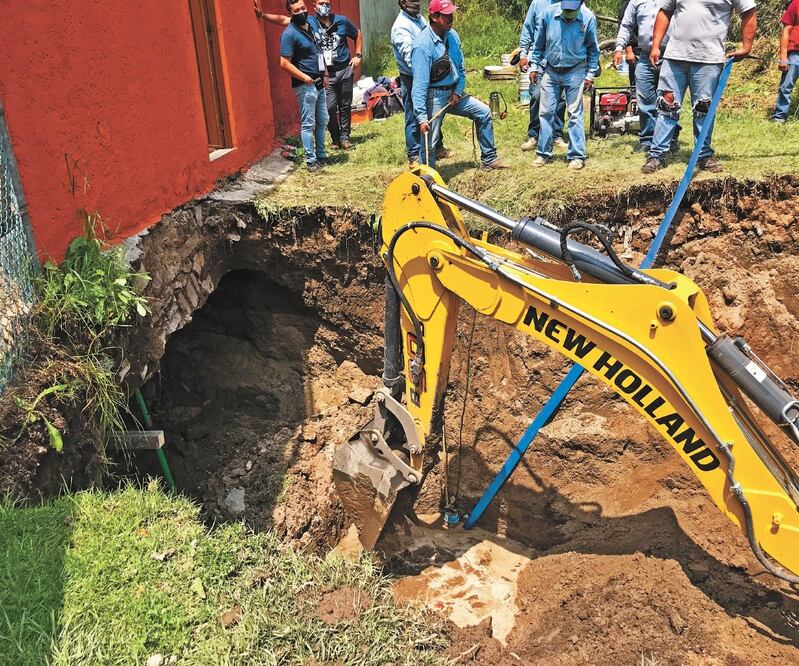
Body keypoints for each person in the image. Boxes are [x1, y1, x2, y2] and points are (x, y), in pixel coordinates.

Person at [642, 0, 757, 174]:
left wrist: (746, 47)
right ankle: (657, 154)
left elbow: (748, 11)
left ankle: (703, 155)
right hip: (674, 57)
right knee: (666, 106)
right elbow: (665, 11)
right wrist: (656, 46)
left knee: (703, 109)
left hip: (708, 60)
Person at [411, 0, 508, 170]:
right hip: (433, 96)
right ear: (434, 17)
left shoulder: (453, 36)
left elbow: (461, 69)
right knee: (429, 141)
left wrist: (457, 92)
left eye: (451, 14)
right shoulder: (422, 45)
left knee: (483, 112)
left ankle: (489, 159)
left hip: (453, 93)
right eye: (446, 15)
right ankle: (427, 178)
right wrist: (421, 117)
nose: (451, 18)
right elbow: (419, 86)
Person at [257, 0, 362, 150]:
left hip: (344, 68)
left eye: (327, 2)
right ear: (314, 6)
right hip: (327, 73)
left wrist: (358, 55)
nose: (324, 6)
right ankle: (335, 136)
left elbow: (357, 33)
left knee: (345, 105)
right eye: (321, 3)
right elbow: (283, 20)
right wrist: (262, 15)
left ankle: (345, 138)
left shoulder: (341, 21)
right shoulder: (310, 21)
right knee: (330, 107)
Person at [530, 0, 600, 170]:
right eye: (565, 9)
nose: (568, 13)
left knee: (574, 113)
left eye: (572, 10)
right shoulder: (549, 14)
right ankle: (543, 153)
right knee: (546, 112)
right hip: (551, 70)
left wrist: (590, 74)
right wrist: (534, 66)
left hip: (575, 70)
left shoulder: (588, 18)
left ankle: (576, 156)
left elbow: (593, 50)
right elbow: (538, 44)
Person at [391, 0, 448, 168]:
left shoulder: (419, 19)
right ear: (401, 2)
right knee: (413, 115)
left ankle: (436, 147)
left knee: (432, 112)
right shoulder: (401, 27)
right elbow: (411, 58)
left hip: (428, 72)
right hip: (412, 75)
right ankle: (414, 155)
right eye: (411, 0)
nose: (416, 3)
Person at [277, 0, 329, 172]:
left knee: (323, 120)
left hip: (320, 82)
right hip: (305, 86)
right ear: (290, 13)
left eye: (303, 8)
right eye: (297, 10)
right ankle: (311, 161)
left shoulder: (312, 26)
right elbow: (284, 62)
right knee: (308, 123)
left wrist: (325, 74)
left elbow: (320, 52)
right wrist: (305, 77)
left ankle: (322, 155)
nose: (301, 12)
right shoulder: (289, 34)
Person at [614, 0, 671, 152]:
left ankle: (671, 138)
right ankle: (648, 139)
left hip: (671, 56)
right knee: (645, 101)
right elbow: (626, 25)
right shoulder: (636, 1)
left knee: (669, 100)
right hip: (645, 56)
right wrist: (619, 48)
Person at [518, 0, 568, 152]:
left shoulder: (570, 3)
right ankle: (534, 135)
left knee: (560, 99)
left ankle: (556, 135)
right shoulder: (538, 3)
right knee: (537, 96)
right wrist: (523, 54)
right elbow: (528, 29)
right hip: (540, 61)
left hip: (562, 61)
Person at [771, 0, 799, 123]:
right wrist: (783, 56)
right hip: (795, 53)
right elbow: (786, 30)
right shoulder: (796, 4)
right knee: (786, 86)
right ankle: (779, 117)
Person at [617, 0, 639, 86]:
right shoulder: (630, 2)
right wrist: (628, 50)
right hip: (637, 49)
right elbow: (624, 25)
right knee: (636, 85)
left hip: (660, 50)